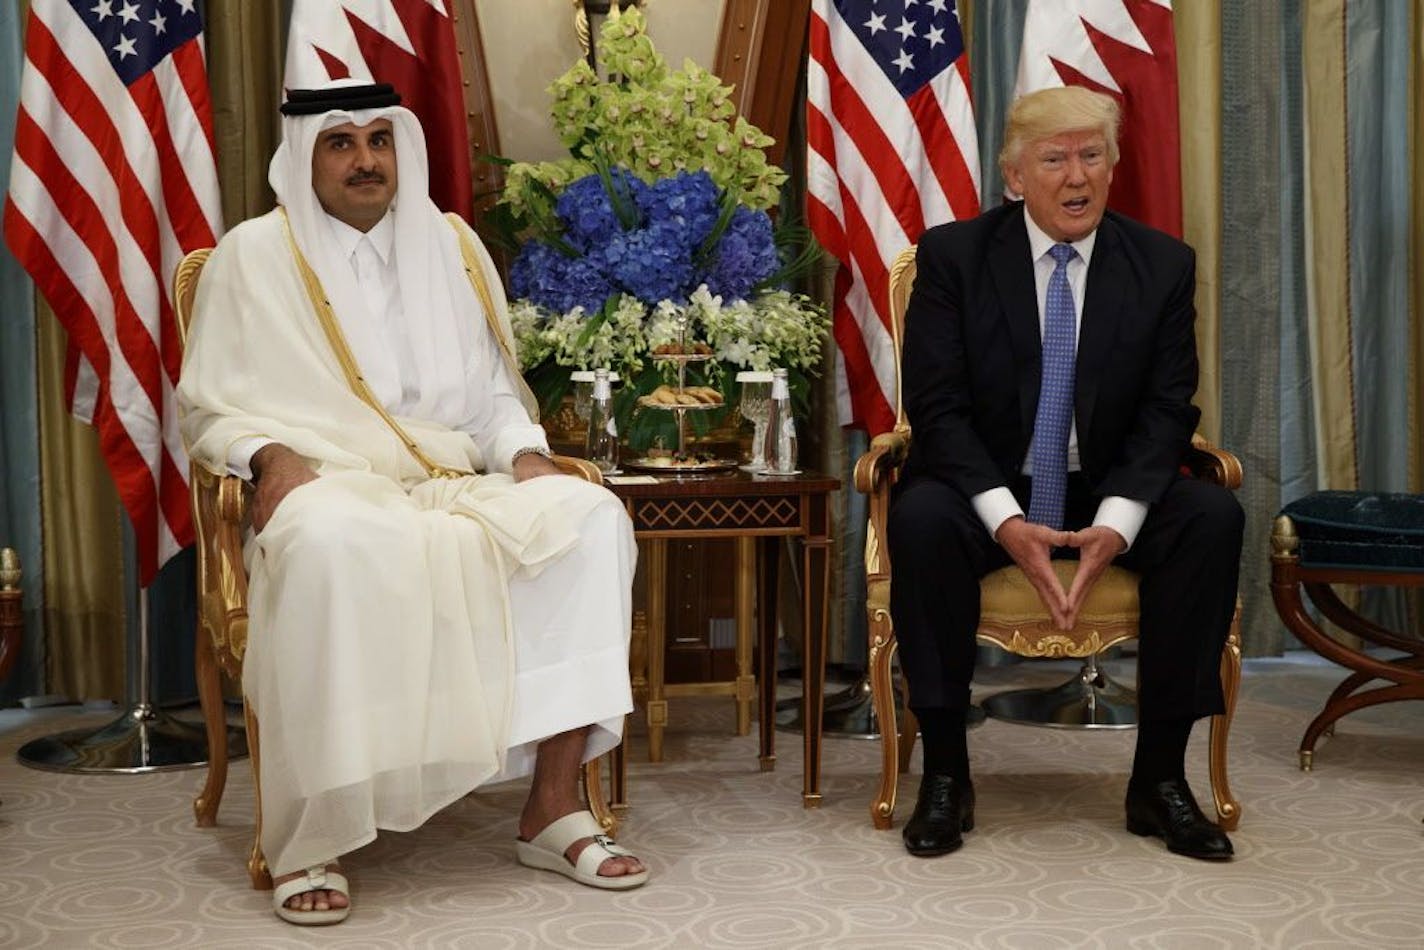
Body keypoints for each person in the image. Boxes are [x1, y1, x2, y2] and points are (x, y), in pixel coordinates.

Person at [178, 81, 647, 926]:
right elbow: (212, 409)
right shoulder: (252, 257)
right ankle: (311, 836)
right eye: (341, 143)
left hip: (451, 481)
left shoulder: (453, 247)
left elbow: (494, 401)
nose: (365, 161)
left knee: (589, 521)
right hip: (329, 482)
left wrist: (527, 457)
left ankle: (553, 806)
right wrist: (271, 456)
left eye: (378, 141)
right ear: (304, 155)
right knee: (325, 543)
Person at [887, 86, 1244, 862]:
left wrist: (1116, 525)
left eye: (1092, 155)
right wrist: (1006, 521)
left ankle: (1160, 782)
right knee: (919, 518)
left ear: (1112, 168)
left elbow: (1166, 410)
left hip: (1104, 484)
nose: (1076, 175)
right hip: (986, 480)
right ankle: (946, 773)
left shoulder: (1160, 265)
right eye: (1055, 159)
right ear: (1016, 177)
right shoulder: (954, 258)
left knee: (1212, 519)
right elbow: (937, 409)